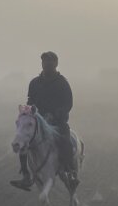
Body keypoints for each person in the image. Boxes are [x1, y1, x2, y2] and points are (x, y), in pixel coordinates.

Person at [10, 51, 75, 190]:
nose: (47, 64)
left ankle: (70, 172)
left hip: (56, 122)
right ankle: (26, 175)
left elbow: (68, 103)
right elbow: (30, 100)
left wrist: (56, 115)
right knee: (23, 139)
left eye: (50, 61)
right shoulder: (34, 83)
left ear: (56, 64)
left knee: (66, 140)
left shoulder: (62, 83)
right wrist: (28, 111)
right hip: (38, 121)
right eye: (44, 61)